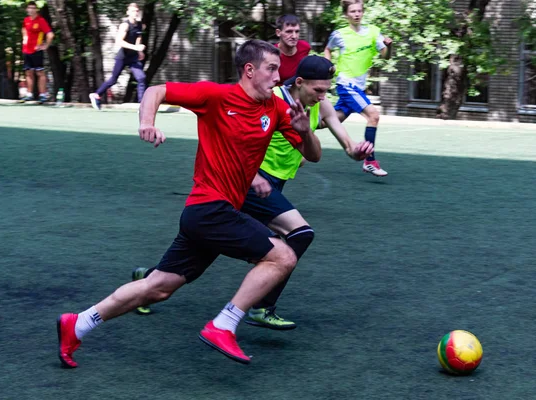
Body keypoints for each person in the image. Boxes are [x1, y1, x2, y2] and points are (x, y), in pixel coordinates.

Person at [57, 39, 322, 368]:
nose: (277, 76)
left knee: (158, 288)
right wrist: (146, 123)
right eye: (271, 69)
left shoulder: (277, 108)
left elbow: (314, 155)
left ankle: (77, 324)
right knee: (282, 255)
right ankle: (223, 325)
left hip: (214, 214)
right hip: (210, 209)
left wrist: (305, 131)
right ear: (249, 70)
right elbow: (156, 90)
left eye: (279, 70)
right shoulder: (216, 96)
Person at [132, 56, 374, 330]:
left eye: (326, 90)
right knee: (299, 234)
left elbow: (343, 148)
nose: (322, 96)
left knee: (206, 248)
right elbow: (239, 138)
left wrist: (357, 152)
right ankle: (259, 306)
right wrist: (253, 176)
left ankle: (150, 278)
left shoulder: (319, 105)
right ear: (300, 83)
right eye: (318, 90)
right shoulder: (271, 99)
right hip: (251, 183)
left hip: (270, 186)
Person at [324, 0, 392, 177]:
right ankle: (370, 161)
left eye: (359, 11)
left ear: (363, 12)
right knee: (373, 116)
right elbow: (328, 48)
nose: (356, 14)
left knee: (327, 121)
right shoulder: (339, 34)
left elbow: (385, 55)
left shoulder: (373, 32)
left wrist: (388, 46)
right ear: (346, 14)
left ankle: (298, 125)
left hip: (358, 87)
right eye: (352, 11)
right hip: (346, 85)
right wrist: (327, 66)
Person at [89, 3, 146, 110]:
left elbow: (138, 36)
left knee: (141, 78)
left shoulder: (139, 24)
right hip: (123, 57)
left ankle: (142, 106)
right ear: (128, 12)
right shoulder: (125, 25)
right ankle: (96, 95)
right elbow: (119, 41)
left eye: (137, 11)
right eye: (133, 11)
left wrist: (139, 51)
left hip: (133, 57)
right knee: (113, 79)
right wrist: (135, 48)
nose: (135, 13)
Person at [20, 1, 54, 103]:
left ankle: (42, 95)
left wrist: (45, 45)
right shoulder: (26, 20)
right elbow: (24, 29)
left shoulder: (41, 21)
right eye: (29, 8)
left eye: (33, 8)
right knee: (28, 72)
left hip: (36, 51)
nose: (30, 10)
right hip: (26, 50)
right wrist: (24, 38)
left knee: (40, 72)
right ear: (27, 9)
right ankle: (29, 94)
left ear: (36, 10)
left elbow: (50, 34)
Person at [274, 14, 311, 84]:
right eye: (289, 31)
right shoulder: (272, 54)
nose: (294, 36)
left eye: (297, 32)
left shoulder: (305, 47)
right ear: (278, 33)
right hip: (278, 92)